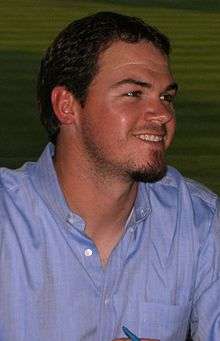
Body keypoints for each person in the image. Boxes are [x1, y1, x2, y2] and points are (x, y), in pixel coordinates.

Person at [0, 11, 219, 341]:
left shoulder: (200, 221)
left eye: (166, 97)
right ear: (67, 105)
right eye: (134, 93)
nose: (163, 113)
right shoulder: (7, 218)